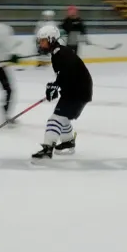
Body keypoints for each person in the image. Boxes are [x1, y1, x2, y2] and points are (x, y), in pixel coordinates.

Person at [31, 25, 93, 161]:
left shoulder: (62, 54)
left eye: (43, 40)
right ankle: (68, 142)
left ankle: (48, 148)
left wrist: (56, 86)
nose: (40, 43)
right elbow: (65, 75)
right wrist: (55, 86)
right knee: (63, 117)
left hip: (78, 93)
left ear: (51, 40)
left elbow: (68, 73)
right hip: (75, 91)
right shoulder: (58, 53)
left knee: (55, 119)